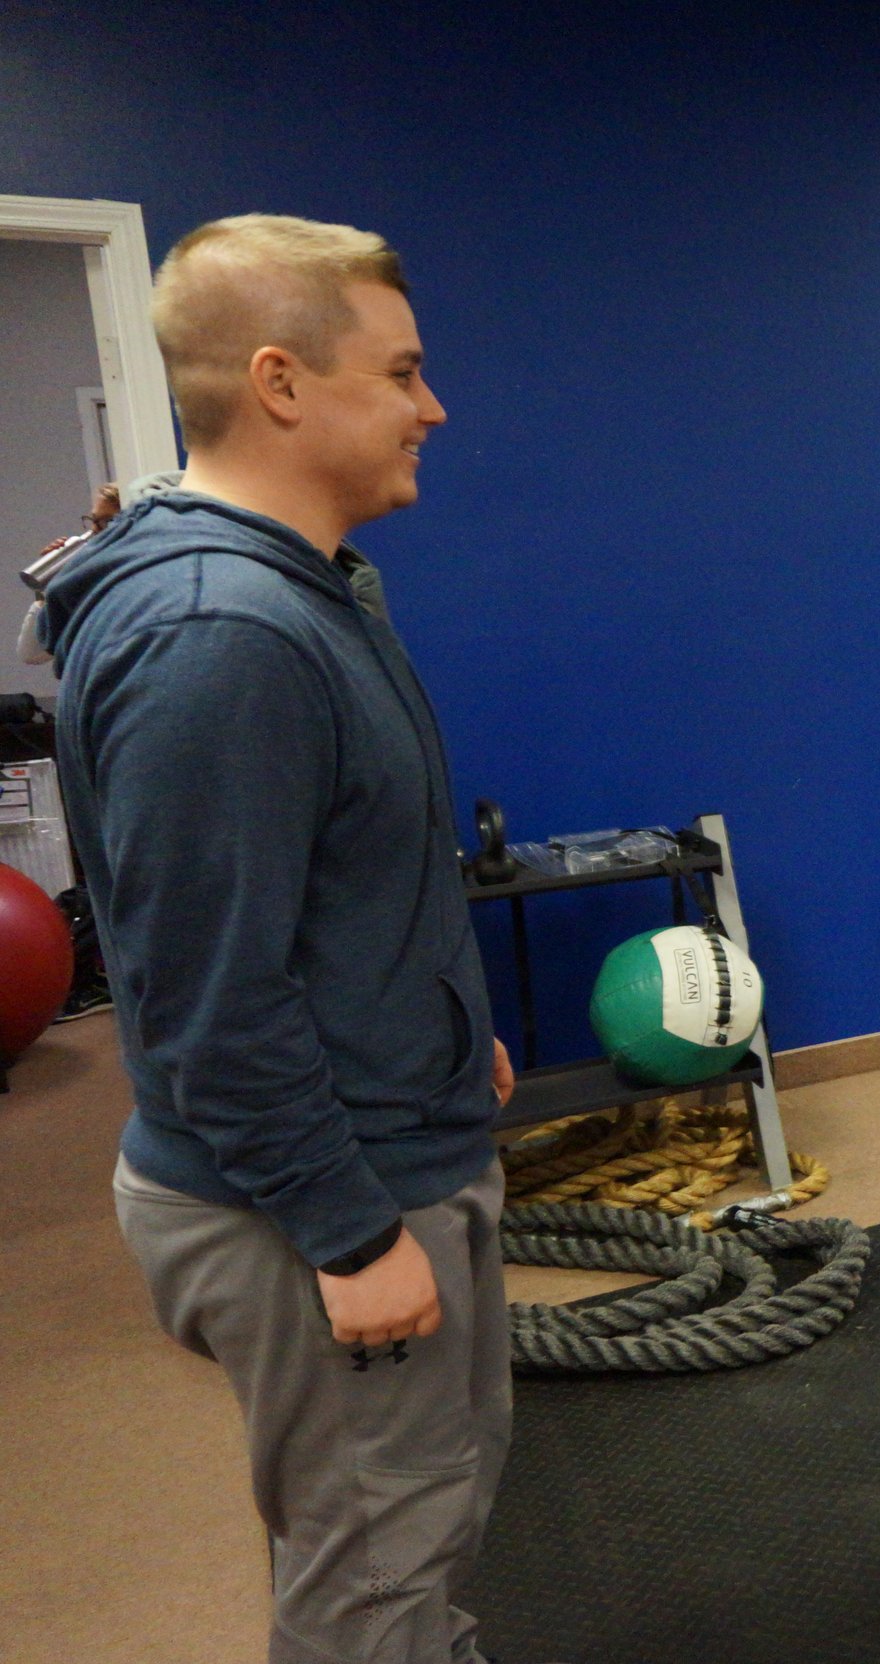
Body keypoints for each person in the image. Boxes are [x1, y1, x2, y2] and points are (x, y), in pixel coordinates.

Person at [42, 214, 517, 1664]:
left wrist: (438, 1024)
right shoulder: (221, 635)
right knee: (377, 1567)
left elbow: (325, 887)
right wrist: (350, 1229)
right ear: (282, 383)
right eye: (404, 370)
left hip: (386, 1127)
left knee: (393, 1533)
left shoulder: (310, 586)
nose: (433, 405)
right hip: (318, 1191)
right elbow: (200, 1001)